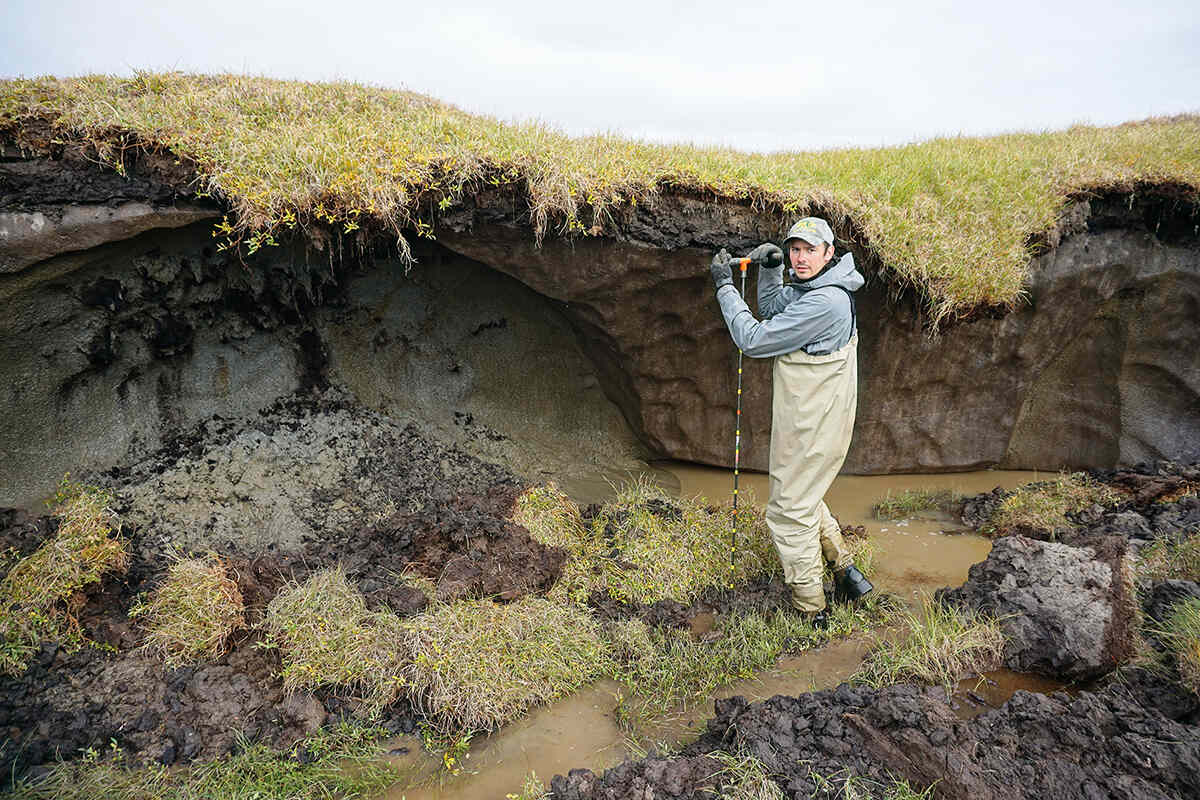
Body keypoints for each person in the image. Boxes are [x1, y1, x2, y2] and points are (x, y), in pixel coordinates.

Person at [709, 217, 873, 624]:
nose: (800, 258)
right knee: (805, 496)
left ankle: (810, 611)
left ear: (829, 253)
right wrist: (770, 270)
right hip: (819, 420)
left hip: (812, 426)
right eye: (794, 249)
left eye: (809, 250)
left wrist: (725, 288)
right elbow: (777, 308)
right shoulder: (824, 288)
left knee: (787, 511)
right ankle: (848, 574)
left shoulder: (825, 302)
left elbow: (755, 339)